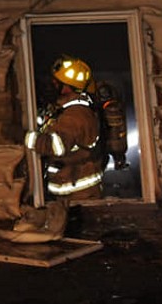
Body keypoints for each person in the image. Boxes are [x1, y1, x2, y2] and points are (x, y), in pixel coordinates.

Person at [24, 54, 107, 204]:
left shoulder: (76, 114)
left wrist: (24, 137)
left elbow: (56, 146)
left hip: (78, 198)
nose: (52, 86)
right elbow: (47, 127)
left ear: (69, 87)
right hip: (68, 194)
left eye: (57, 83)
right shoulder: (65, 111)